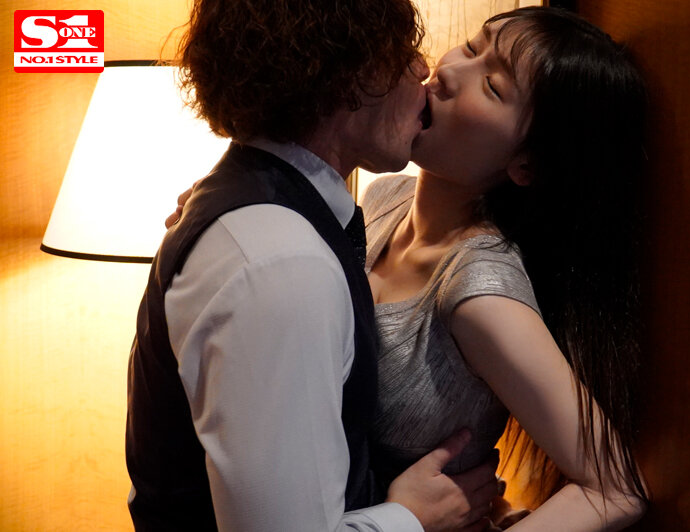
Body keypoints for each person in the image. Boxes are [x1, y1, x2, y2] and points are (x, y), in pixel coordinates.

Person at [126, 1, 498, 531]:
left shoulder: (269, 217)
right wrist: (411, 518)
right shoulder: (284, 264)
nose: (423, 68)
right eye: (401, 54)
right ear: (351, 77)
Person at [361, 6, 649, 529]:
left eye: (492, 86)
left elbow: (616, 488)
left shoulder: (479, 287)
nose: (449, 70)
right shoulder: (384, 198)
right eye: (473, 46)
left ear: (526, 165)